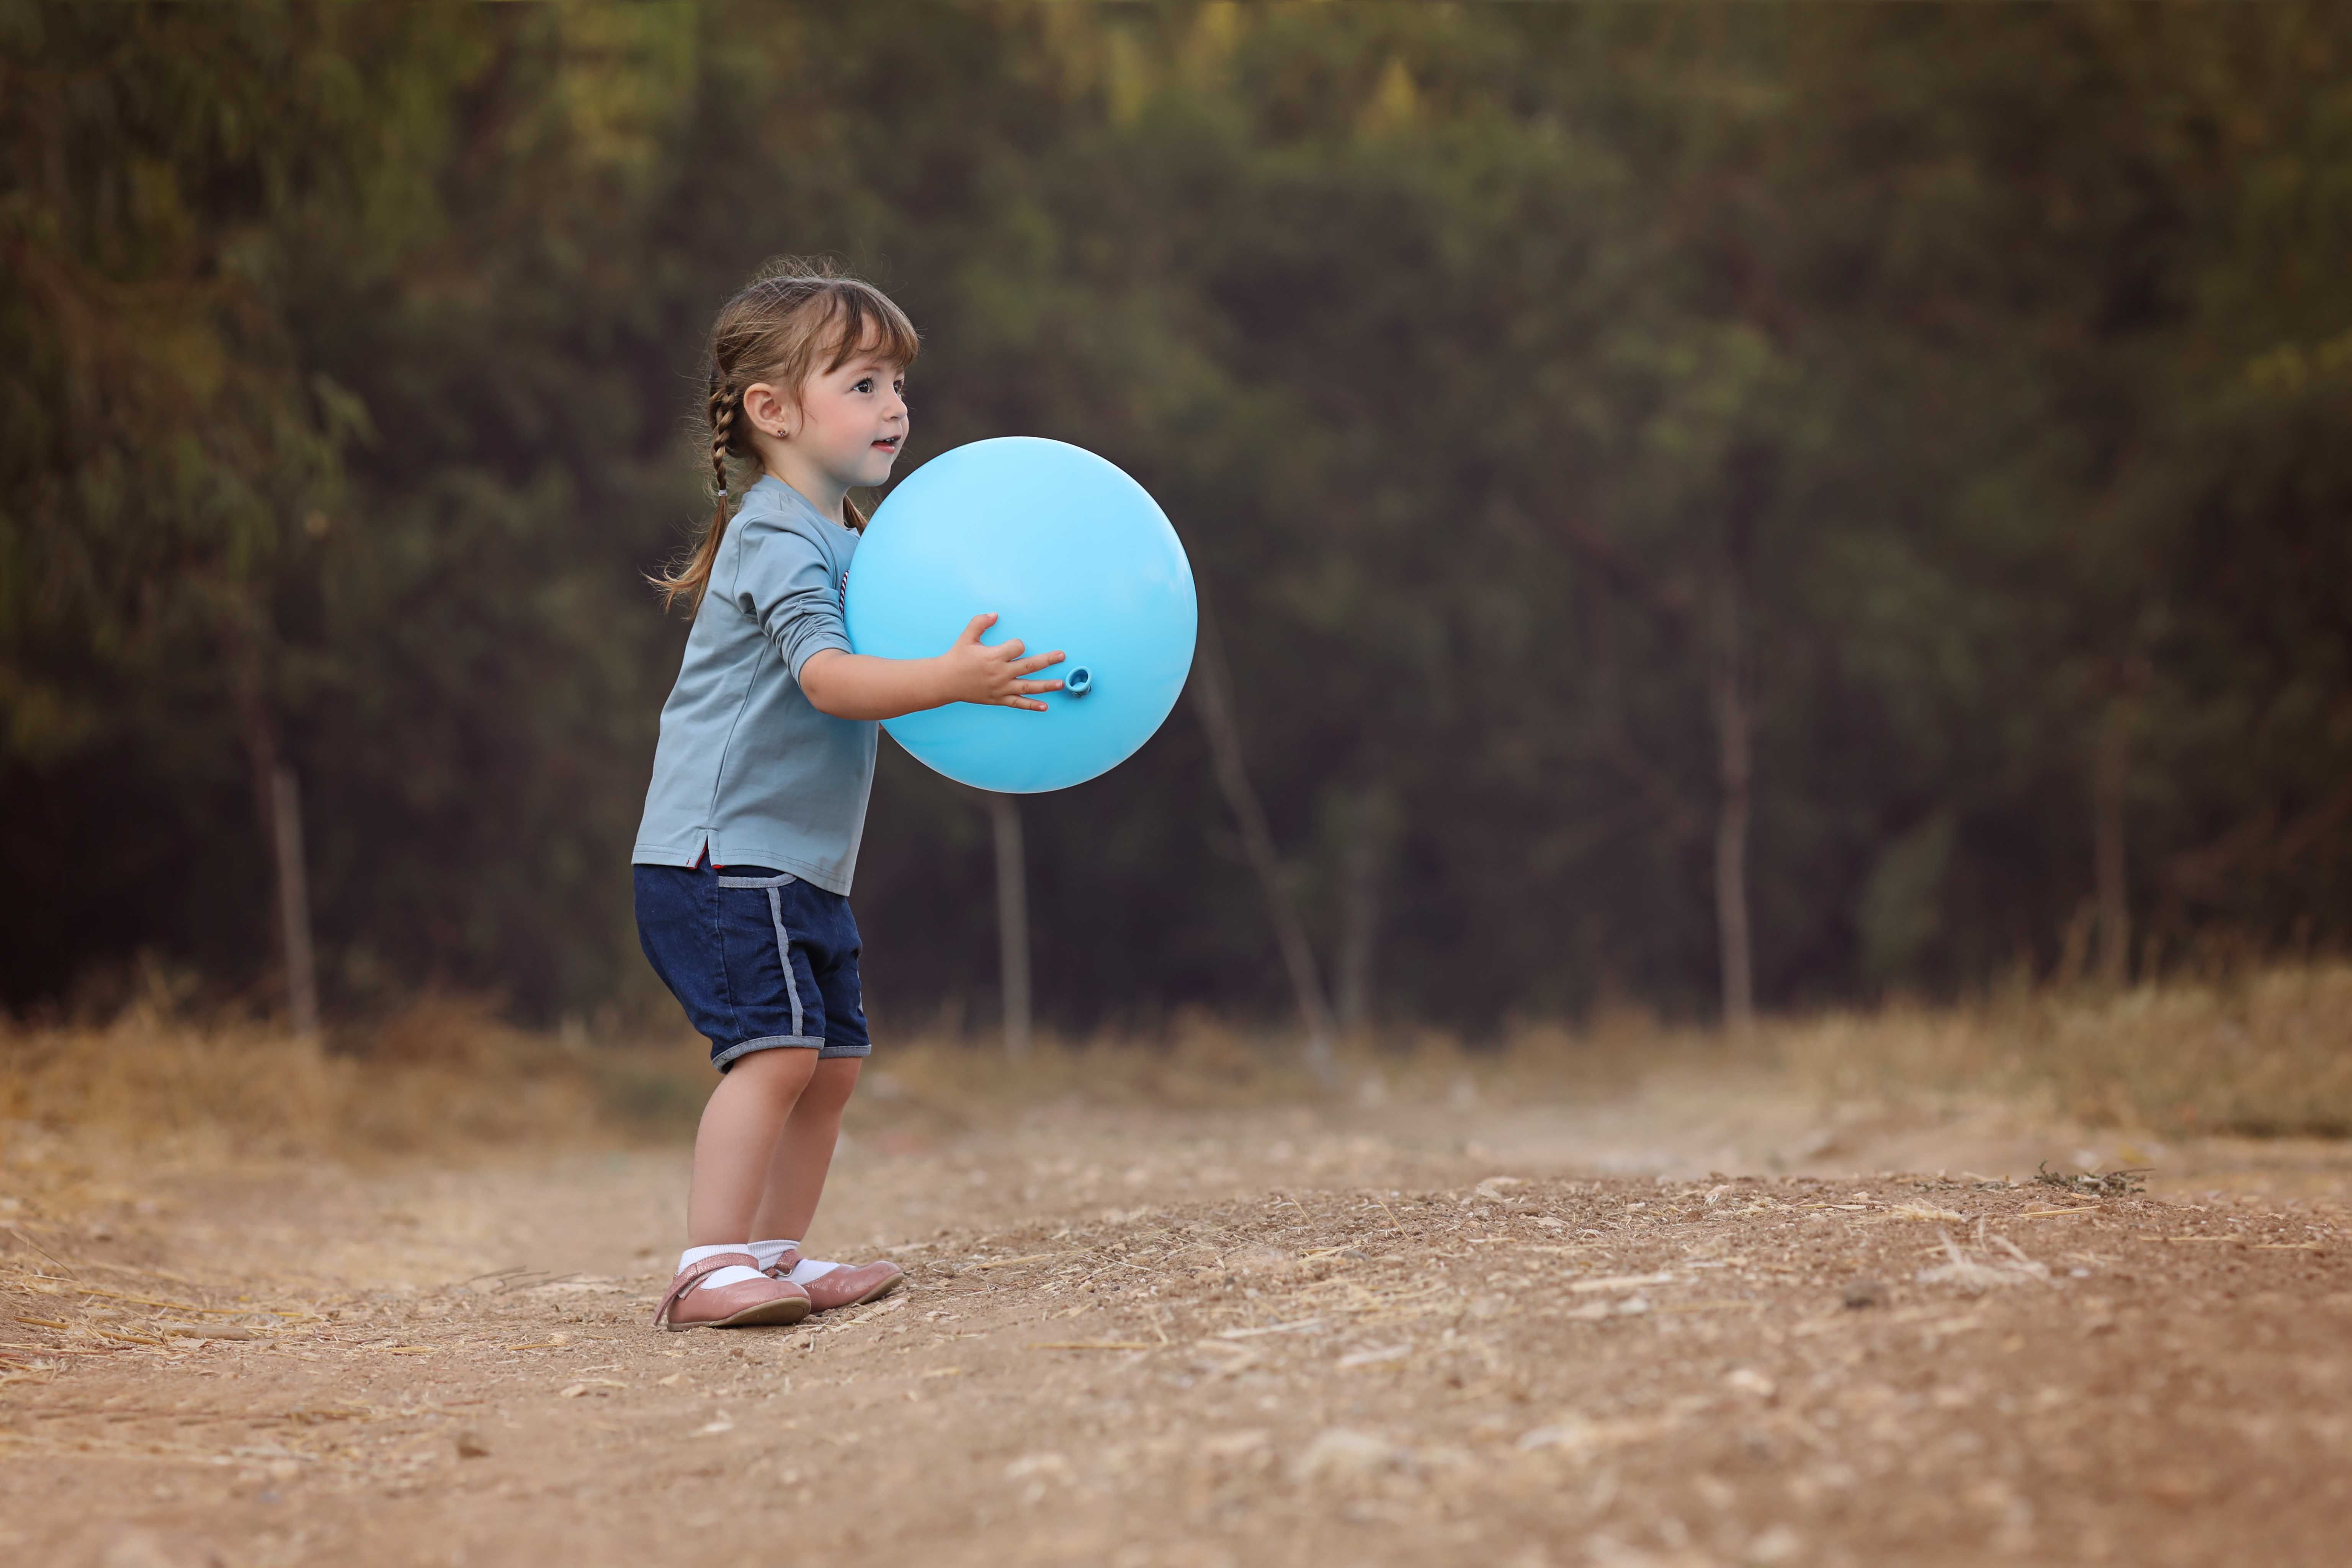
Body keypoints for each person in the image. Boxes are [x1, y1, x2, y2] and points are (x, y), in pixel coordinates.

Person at [633, 261, 1065, 1330]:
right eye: (863, 383)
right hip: (721, 855)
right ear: (774, 411)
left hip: (799, 863)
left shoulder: (857, 540)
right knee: (775, 1053)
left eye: (898, 384)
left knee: (831, 1069)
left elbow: (891, 661)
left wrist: (974, 669)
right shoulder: (780, 534)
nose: (896, 407)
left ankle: (775, 1257)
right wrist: (954, 681)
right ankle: (707, 1265)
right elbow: (830, 682)